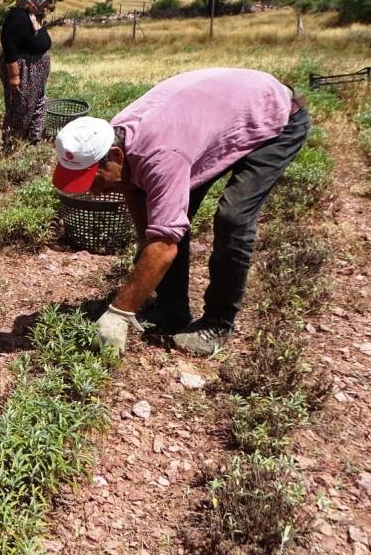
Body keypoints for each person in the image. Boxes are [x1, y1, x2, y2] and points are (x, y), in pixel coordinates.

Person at [52, 68, 310, 356]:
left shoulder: (161, 156)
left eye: (93, 180)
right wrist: (145, 249)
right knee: (164, 218)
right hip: (223, 117)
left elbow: (164, 244)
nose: (91, 191)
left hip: (275, 117)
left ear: (114, 157)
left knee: (232, 218)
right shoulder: (116, 137)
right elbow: (137, 197)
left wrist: (120, 312)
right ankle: (172, 310)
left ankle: (217, 323)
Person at [0, 0, 56, 149]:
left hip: (35, 73)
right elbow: (9, 46)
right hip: (22, 71)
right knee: (21, 108)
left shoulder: (34, 15)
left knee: (38, 104)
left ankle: (32, 141)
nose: (49, 3)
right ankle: (12, 145)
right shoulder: (17, 16)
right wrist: (14, 76)